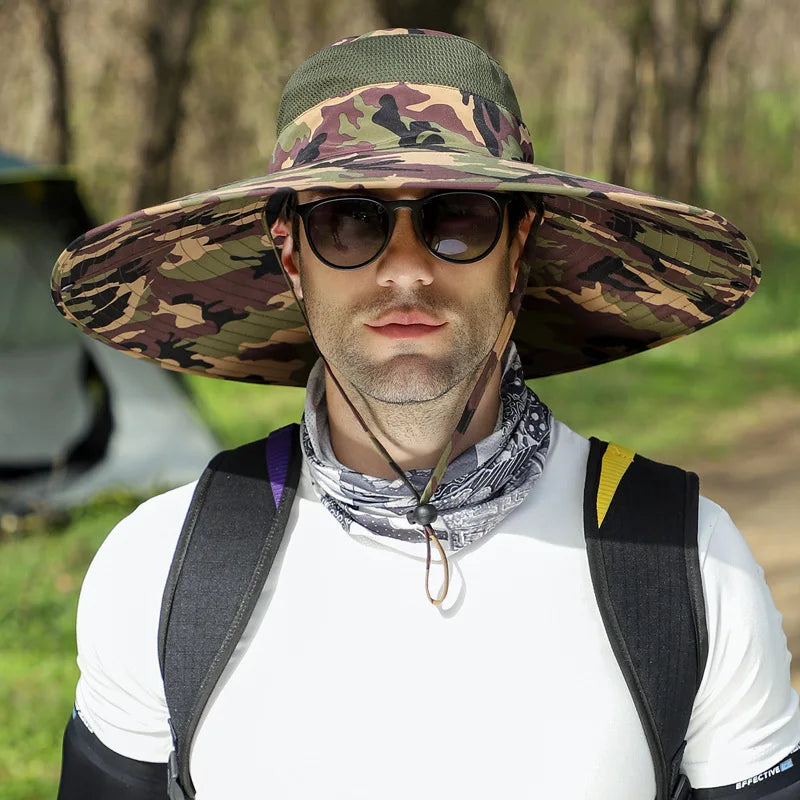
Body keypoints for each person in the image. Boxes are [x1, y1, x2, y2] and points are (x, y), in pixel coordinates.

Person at [52, 28, 799, 800]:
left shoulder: (686, 560)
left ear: (518, 247)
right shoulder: (163, 567)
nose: (406, 270)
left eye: (459, 218)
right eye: (348, 221)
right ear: (291, 254)